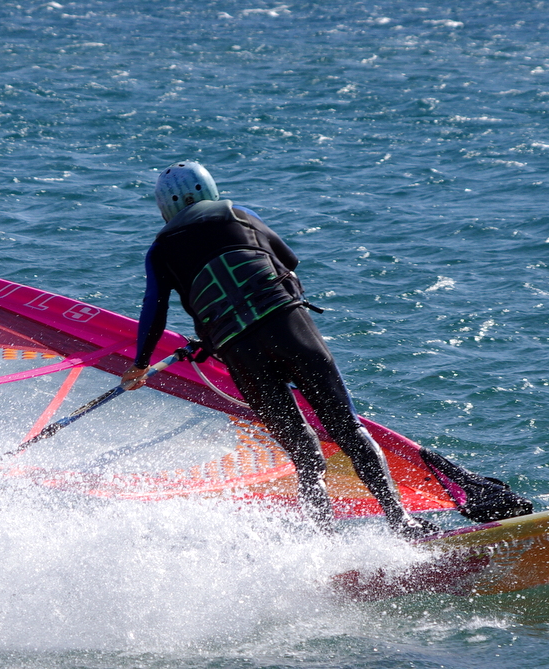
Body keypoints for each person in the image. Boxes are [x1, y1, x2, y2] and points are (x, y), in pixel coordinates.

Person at [120, 161, 440, 539]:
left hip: (238, 349)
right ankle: (401, 522)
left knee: (305, 455)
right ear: (210, 189)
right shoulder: (240, 215)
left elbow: (154, 307)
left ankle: (326, 544)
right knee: (347, 430)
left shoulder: (160, 250)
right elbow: (288, 261)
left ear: (165, 207)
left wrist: (140, 364)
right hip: (288, 329)